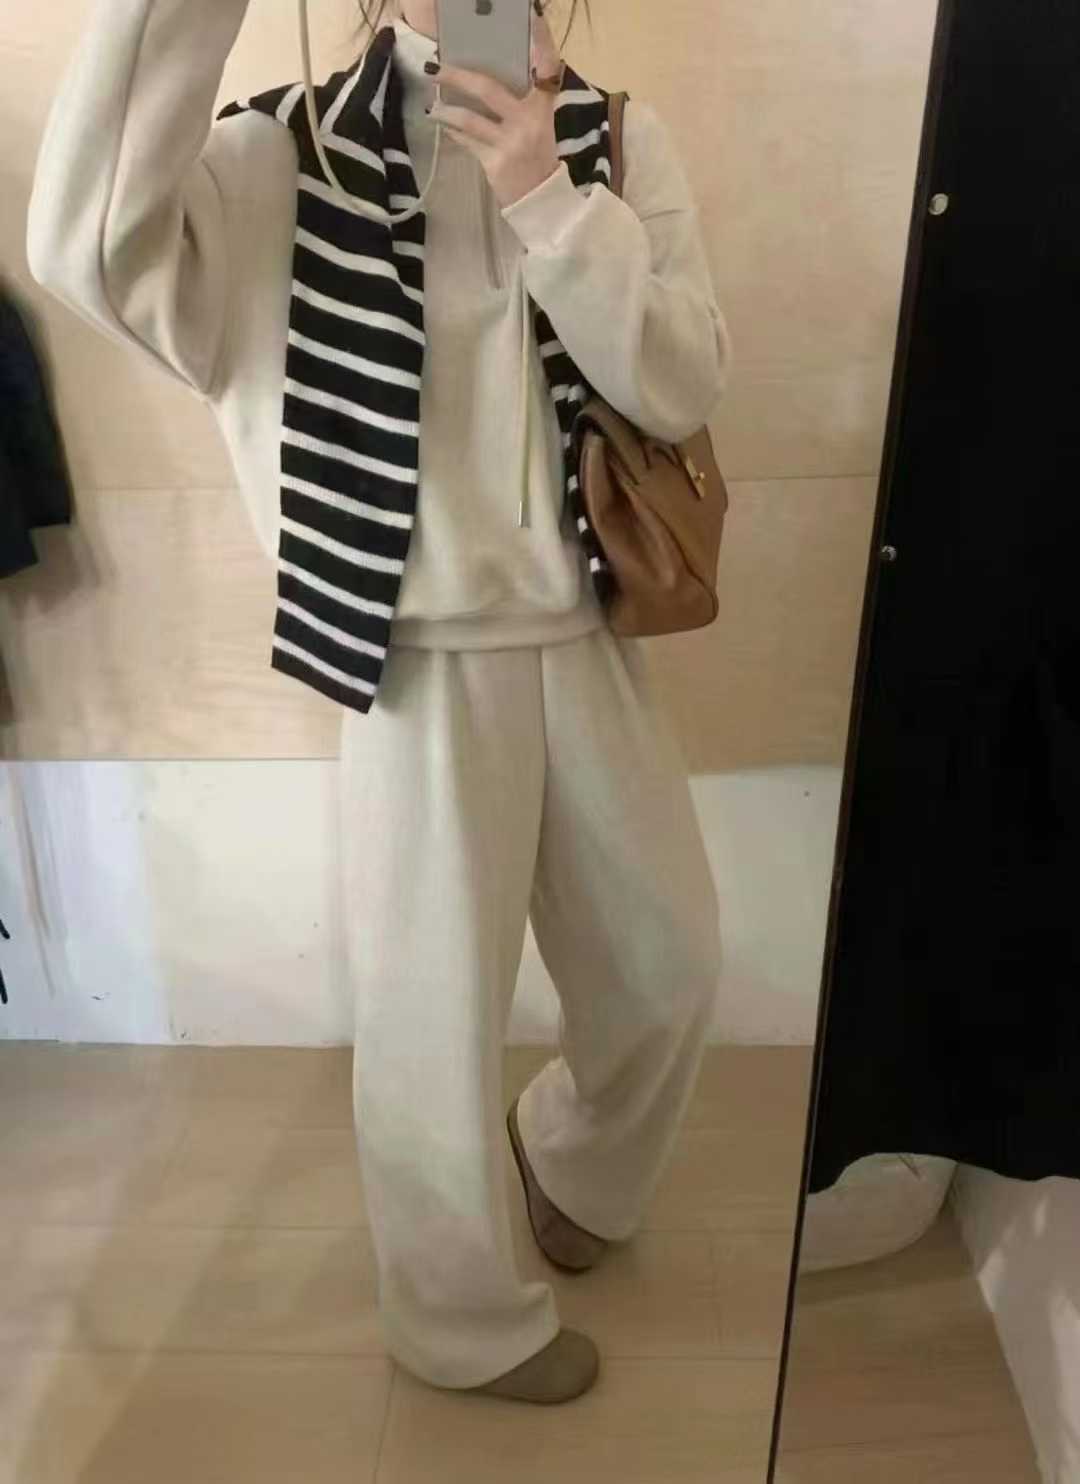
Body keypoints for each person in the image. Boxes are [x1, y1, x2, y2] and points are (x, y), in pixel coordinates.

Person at [27, 0, 732, 1405]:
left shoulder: (614, 139)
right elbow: (87, 252)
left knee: (668, 967)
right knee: (432, 1022)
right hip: (407, 657)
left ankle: (574, 1165)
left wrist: (547, 198)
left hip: (585, 631)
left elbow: (680, 381)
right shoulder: (277, 156)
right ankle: (457, 1322)